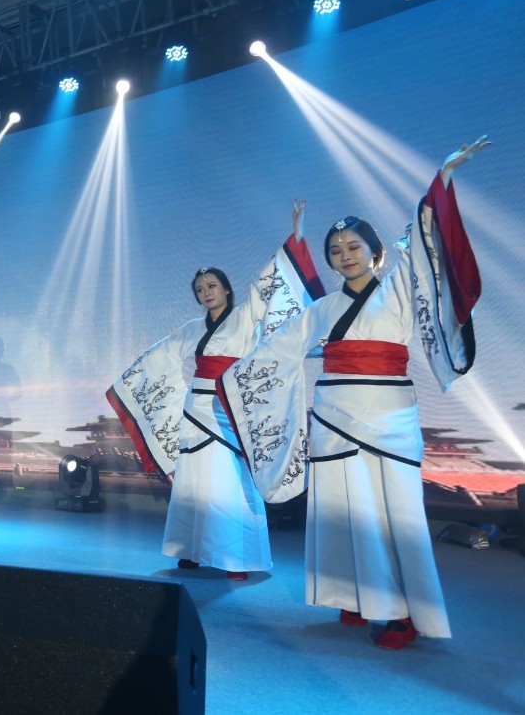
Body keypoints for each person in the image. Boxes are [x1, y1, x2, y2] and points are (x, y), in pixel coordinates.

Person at [218, 137, 488, 650]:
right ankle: (355, 595)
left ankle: (403, 611)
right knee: (342, 510)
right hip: (333, 417)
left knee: (392, 513)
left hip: (388, 414)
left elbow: (426, 243)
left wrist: (443, 180)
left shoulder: (400, 287)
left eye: (353, 247)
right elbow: (278, 349)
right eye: (335, 251)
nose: (344, 256)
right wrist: (232, 376)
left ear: (375, 251)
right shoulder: (322, 309)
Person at [107, 202, 323, 580]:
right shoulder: (193, 328)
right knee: (193, 482)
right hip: (195, 408)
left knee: (229, 482)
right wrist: (129, 384)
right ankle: (191, 549)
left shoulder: (244, 318)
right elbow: (161, 356)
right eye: (199, 289)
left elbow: (266, 286)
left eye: (211, 286)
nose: (206, 292)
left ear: (226, 288)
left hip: (228, 408)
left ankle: (238, 557)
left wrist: (296, 237)